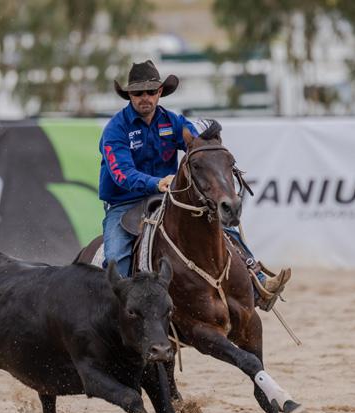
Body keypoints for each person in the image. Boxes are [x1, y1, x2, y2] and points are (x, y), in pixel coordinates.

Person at [98, 60, 290, 309]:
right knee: (115, 256)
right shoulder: (115, 129)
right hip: (125, 203)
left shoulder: (173, 122)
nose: (145, 97)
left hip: (168, 196)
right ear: (129, 96)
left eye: (150, 91)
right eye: (138, 93)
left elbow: (197, 144)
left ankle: (258, 282)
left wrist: (208, 141)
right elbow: (121, 174)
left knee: (222, 227)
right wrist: (156, 183)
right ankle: (118, 312)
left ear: (159, 92)